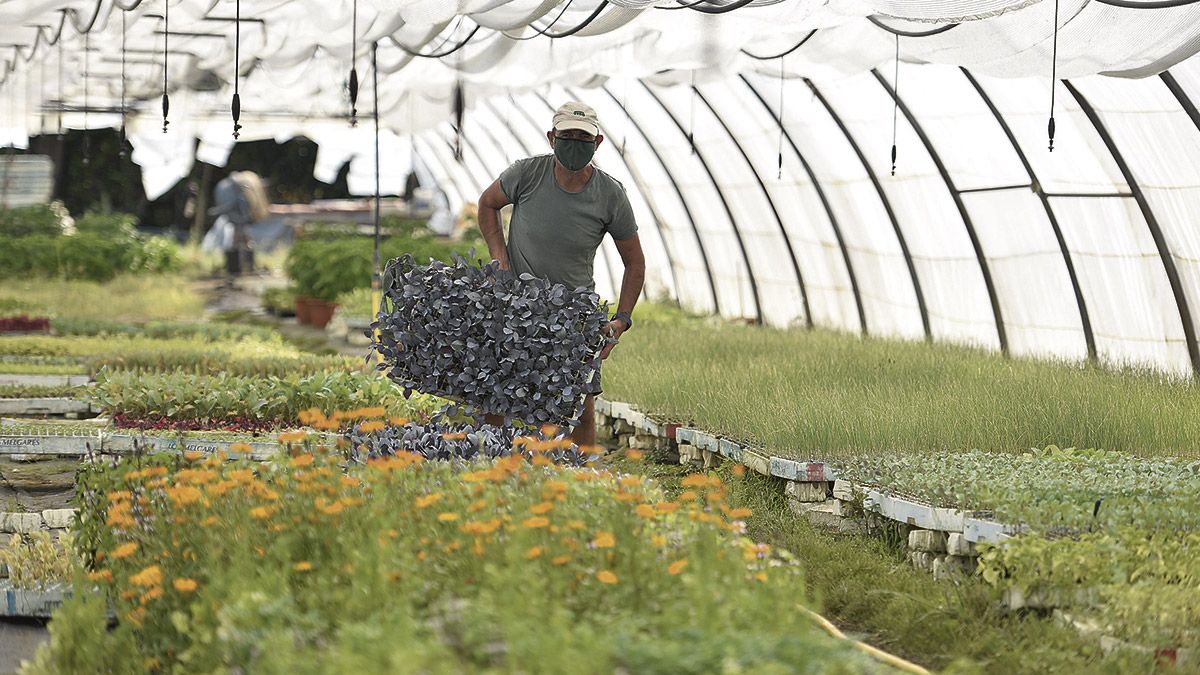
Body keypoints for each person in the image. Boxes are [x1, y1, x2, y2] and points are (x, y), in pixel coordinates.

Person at [477, 101, 646, 448]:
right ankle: (494, 468)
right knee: (497, 396)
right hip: (515, 305)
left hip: (575, 316)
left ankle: (581, 480)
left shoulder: (610, 195)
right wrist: (500, 260)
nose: (573, 144)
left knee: (580, 405)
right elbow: (487, 203)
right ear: (551, 137)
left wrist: (622, 320)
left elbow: (635, 262)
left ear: (597, 143)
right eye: (566, 135)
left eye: (582, 138)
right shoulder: (527, 174)